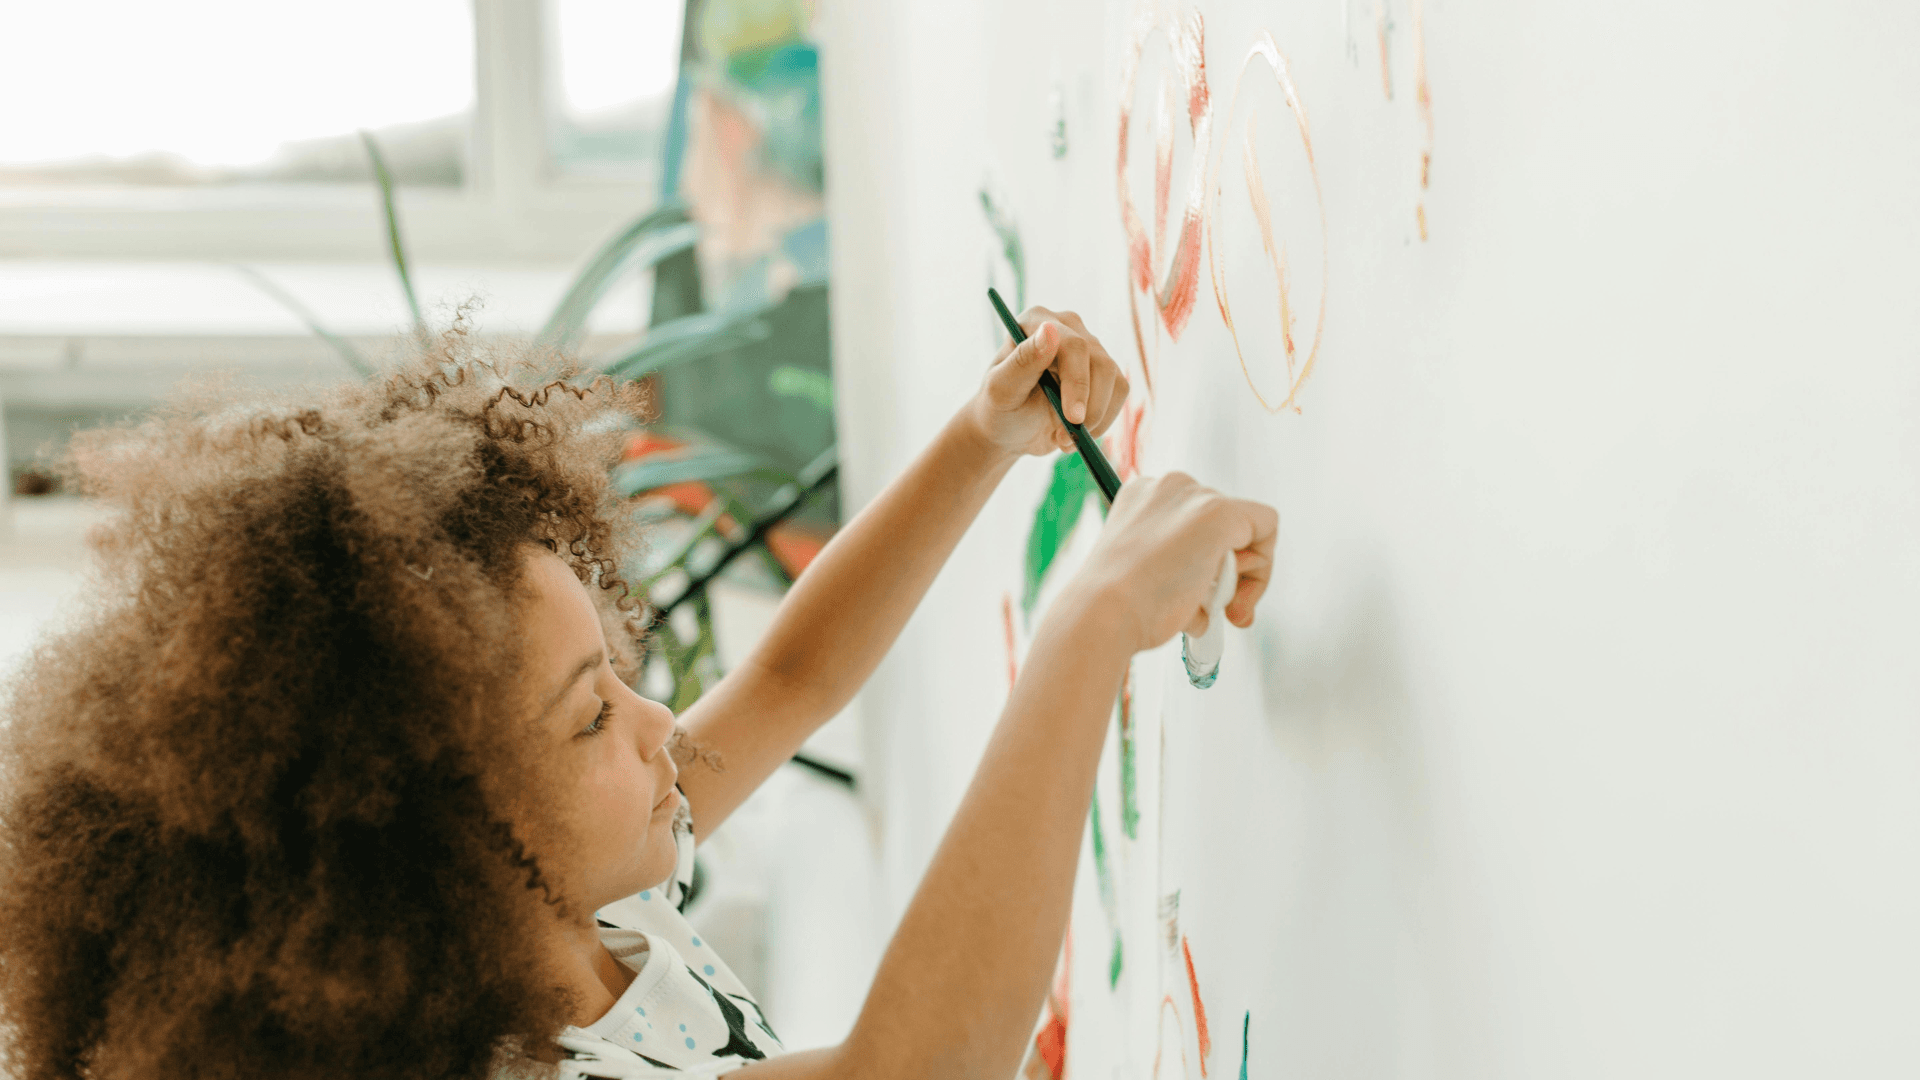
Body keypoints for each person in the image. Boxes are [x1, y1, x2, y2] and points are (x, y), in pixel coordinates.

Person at [0, 309, 1276, 1080]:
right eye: (593, 714)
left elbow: (792, 676)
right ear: (444, 859)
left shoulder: (585, 915)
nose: (661, 721)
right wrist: (1093, 621)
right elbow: (917, 1067)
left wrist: (980, 440)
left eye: (617, 675)